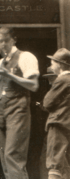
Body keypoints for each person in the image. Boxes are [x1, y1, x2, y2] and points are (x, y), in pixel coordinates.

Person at [0, 27, 39, 179]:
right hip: (1, 108)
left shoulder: (25, 57)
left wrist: (8, 74)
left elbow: (34, 85)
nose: (2, 45)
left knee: (13, 155)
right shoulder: (1, 62)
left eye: (6, 40)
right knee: (4, 155)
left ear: (14, 40)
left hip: (18, 107)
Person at [42, 48, 70, 179]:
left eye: (53, 62)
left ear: (60, 64)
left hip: (58, 124)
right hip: (67, 124)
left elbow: (47, 102)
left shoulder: (62, 80)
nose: (51, 65)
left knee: (54, 165)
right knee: (64, 166)